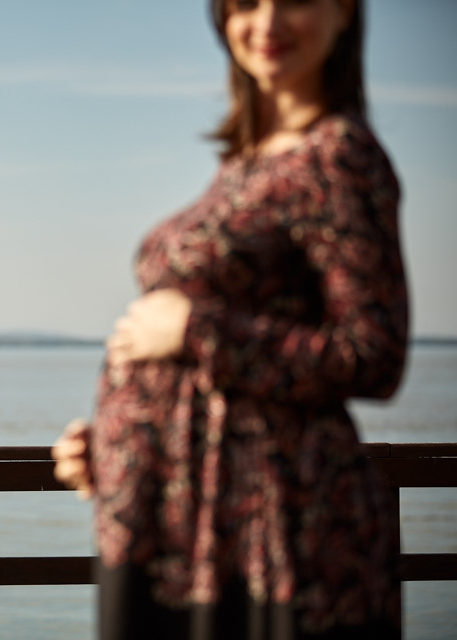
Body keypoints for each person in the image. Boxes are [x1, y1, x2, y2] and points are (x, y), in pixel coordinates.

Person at [52, 1, 408, 638]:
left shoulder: (340, 156)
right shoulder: (245, 163)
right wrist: (116, 449)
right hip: (177, 526)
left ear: (343, 12)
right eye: (246, 4)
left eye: (293, 0)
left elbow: (372, 352)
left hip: (274, 537)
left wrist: (195, 330)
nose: (267, 24)